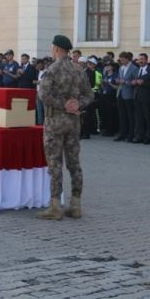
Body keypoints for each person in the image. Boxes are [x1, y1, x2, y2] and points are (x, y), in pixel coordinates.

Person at [36, 35, 94, 220]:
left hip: (55, 122)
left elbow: (43, 94)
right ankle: (75, 205)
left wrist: (63, 104)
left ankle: (55, 206)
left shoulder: (52, 70)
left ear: (56, 49)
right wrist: (77, 105)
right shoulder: (79, 70)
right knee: (74, 163)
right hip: (74, 123)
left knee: (55, 164)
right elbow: (89, 95)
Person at [114, 52, 137, 142]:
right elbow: (120, 78)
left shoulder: (134, 68)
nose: (121, 61)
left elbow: (136, 81)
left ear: (127, 59)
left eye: (123, 59)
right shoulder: (121, 67)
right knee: (122, 115)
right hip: (120, 93)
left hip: (129, 94)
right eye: (120, 59)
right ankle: (122, 134)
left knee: (130, 116)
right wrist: (118, 81)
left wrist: (126, 82)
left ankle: (131, 135)